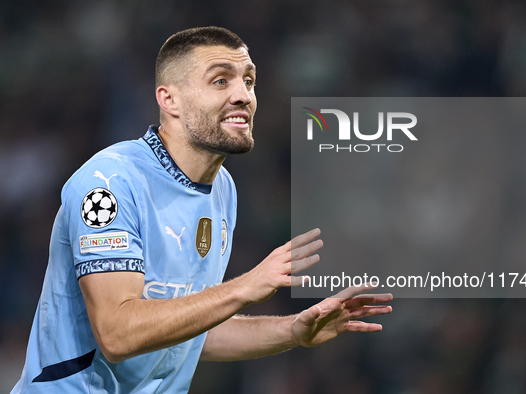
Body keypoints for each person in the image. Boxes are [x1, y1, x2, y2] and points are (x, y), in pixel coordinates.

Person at [12, 26, 392, 393]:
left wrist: (292, 330)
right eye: (221, 81)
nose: (244, 95)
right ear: (169, 100)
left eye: (249, 80)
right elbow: (117, 333)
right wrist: (245, 287)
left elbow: (189, 331)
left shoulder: (222, 189)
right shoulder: (109, 183)